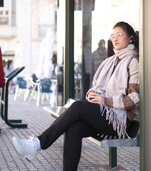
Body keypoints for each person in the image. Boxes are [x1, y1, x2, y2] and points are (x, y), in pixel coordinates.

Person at [12, 21, 139, 171]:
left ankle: (37, 144)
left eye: (119, 35)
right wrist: (94, 94)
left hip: (121, 122)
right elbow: (102, 88)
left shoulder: (133, 62)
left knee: (78, 106)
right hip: (107, 115)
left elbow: (134, 100)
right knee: (74, 128)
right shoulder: (112, 61)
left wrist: (105, 100)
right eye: (112, 36)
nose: (115, 39)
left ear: (131, 38)